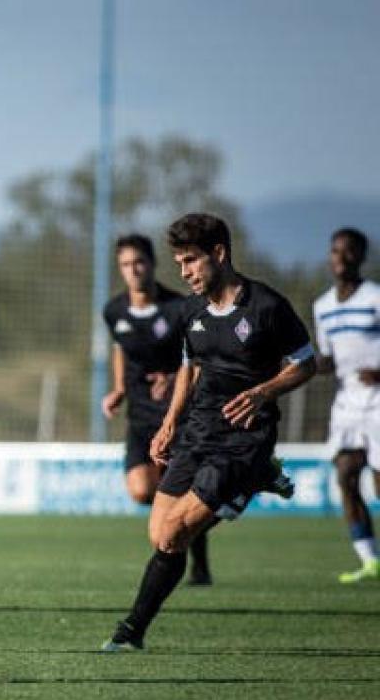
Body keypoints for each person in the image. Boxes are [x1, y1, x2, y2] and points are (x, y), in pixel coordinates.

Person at [103, 213, 315, 652]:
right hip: (198, 429)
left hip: (244, 436)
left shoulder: (267, 307)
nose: (184, 273)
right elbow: (189, 366)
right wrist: (168, 423)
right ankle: (258, 479)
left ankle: (131, 632)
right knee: (158, 532)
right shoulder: (192, 310)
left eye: (191, 261)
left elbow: (306, 362)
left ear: (219, 253)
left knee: (176, 533)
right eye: (179, 263)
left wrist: (263, 392)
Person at [101, 234, 215, 584]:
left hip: (175, 414)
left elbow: (197, 358)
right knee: (140, 490)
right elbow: (120, 347)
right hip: (139, 413)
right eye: (125, 264)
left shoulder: (180, 308)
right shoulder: (114, 310)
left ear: (151, 264)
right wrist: (119, 388)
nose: (132, 270)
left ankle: (195, 562)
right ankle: (177, 535)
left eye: (139, 262)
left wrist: (171, 377)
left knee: (177, 488)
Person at [312, 227, 380, 584]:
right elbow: (328, 358)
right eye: (335, 250)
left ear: (361, 256)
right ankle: (370, 560)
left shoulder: (374, 297)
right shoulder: (322, 306)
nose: (341, 257)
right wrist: (303, 365)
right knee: (345, 474)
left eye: (349, 250)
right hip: (348, 402)